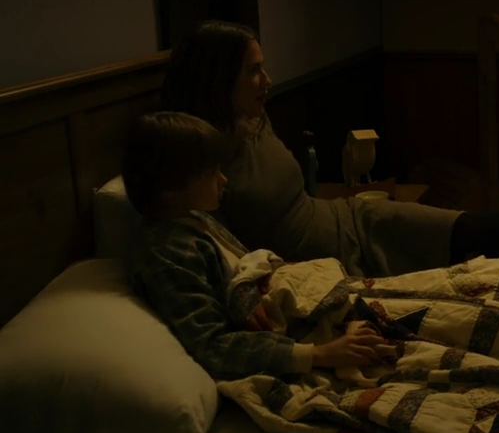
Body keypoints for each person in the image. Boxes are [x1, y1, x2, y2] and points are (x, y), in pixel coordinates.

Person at [159, 20, 499, 279]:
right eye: (254, 71)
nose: (267, 80)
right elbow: (225, 251)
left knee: (466, 227)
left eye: (263, 67)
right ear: (218, 80)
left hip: (351, 220)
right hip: (321, 259)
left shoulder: (253, 118)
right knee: (477, 265)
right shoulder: (199, 161)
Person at [122, 111, 386, 379]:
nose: (223, 180)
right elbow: (212, 345)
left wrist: (248, 283)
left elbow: (242, 265)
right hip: (298, 339)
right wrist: (320, 354)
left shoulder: (193, 218)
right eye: (210, 173)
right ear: (170, 188)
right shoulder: (169, 252)